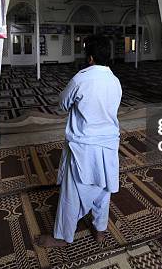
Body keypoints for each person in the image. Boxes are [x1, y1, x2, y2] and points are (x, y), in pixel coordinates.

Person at [36, 35, 122, 247]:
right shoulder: (115, 81)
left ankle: (62, 237)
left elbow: (63, 104)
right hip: (109, 144)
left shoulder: (81, 79)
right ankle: (100, 230)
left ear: (90, 57)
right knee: (103, 190)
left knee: (72, 193)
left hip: (84, 146)